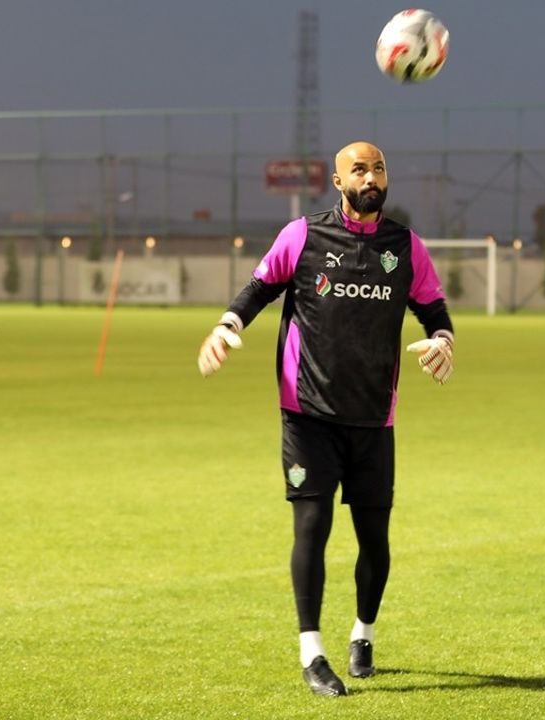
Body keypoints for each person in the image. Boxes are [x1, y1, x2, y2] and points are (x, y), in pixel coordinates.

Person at [197, 141, 455, 697]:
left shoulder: (406, 247)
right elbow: (260, 287)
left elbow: (432, 307)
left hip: (373, 417)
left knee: (374, 538)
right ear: (338, 182)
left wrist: (443, 340)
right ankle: (312, 652)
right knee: (311, 528)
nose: (370, 176)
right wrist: (227, 326)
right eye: (358, 169)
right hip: (307, 412)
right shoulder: (303, 236)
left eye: (378, 168)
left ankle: (363, 632)